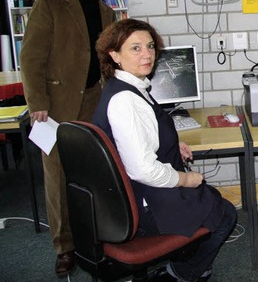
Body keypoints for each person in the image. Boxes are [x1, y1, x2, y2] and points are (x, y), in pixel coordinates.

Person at [92, 19, 237, 282]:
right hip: (143, 204)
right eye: (135, 48)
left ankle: (188, 265)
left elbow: (142, 136)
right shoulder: (126, 100)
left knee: (211, 199)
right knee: (225, 213)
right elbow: (142, 169)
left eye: (149, 46)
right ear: (114, 55)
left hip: (126, 197)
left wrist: (172, 143)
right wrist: (186, 179)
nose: (147, 54)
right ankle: (182, 273)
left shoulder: (128, 87)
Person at [19, 0, 116, 276]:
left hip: (94, 101)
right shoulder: (50, 7)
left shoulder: (107, 12)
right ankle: (64, 246)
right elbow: (31, 59)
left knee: (95, 172)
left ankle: (95, 236)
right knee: (58, 176)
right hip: (56, 105)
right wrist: (37, 103)